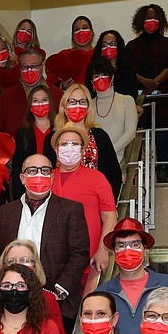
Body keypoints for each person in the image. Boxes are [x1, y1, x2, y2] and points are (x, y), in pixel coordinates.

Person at [0, 153, 90, 334]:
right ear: (22, 178)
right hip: (12, 301)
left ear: (52, 177)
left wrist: (60, 292)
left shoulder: (71, 209)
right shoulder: (6, 211)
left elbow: (79, 254)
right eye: (32, 171)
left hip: (56, 301)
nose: (39, 175)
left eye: (45, 171)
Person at [97, 217, 168, 334]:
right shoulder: (102, 294)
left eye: (135, 245)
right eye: (121, 245)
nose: (128, 250)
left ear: (145, 250)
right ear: (114, 252)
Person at [50, 123, 118, 287]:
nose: (69, 148)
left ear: (82, 151)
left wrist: (103, 249)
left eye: (75, 144)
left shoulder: (97, 178)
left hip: (88, 258)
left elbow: (110, 216)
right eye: (64, 144)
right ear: (56, 150)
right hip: (51, 260)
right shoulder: (47, 178)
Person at [127, 3, 168, 184]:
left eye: (155, 17)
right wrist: (145, 83)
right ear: (141, 21)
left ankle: (162, 171)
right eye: (148, 17)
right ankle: (138, 175)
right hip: (139, 98)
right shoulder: (131, 46)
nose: (151, 21)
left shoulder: (167, 43)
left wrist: (154, 82)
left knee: (161, 136)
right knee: (138, 136)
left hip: (162, 96)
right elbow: (128, 70)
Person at [54, 83, 123, 199]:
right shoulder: (53, 138)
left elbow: (114, 174)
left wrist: (108, 205)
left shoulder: (100, 136)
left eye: (82, 102)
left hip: (94, 201)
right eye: (72, 102)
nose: (77, 106)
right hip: (61, 203)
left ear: (88, 108)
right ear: (64, 108)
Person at [0, 48, 62, 139]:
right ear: (20, 69)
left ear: (42, 67)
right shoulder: (7, 96)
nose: (29, 70)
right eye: (25, 67)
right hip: (17, 151)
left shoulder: (57, 94)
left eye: (34, 66)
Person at [88, 58, 139, 166]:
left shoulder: (127, 100)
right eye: (96, 76)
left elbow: (130, 132)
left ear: (112, 78)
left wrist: (109, 152)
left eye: (104, 75)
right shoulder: (88, 105)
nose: (100, 79)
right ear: (92, 82)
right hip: (92, 162)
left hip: (117, 161)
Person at [10, 84, 56, 200]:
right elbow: (17, 169)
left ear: (50, 103)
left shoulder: (58, 131)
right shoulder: (22, 133)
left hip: (55, 189)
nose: (40, 104)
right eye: (35, 101)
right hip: (29, 191)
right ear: (30, 106)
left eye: (44, 100)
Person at [46, 15, 95, 91]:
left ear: (92, 32)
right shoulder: (63, 56)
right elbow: (50, 84)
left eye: (85, 28)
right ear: (72, 35)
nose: (81, 31)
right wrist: (62, 86)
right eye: (77, 29)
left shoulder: (100, 53)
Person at [86, 30, 138, 98]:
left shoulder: (128, 70)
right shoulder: (94, 69)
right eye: (105, 45)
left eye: (112, 44)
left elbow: (132, 94)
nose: (108, 47)